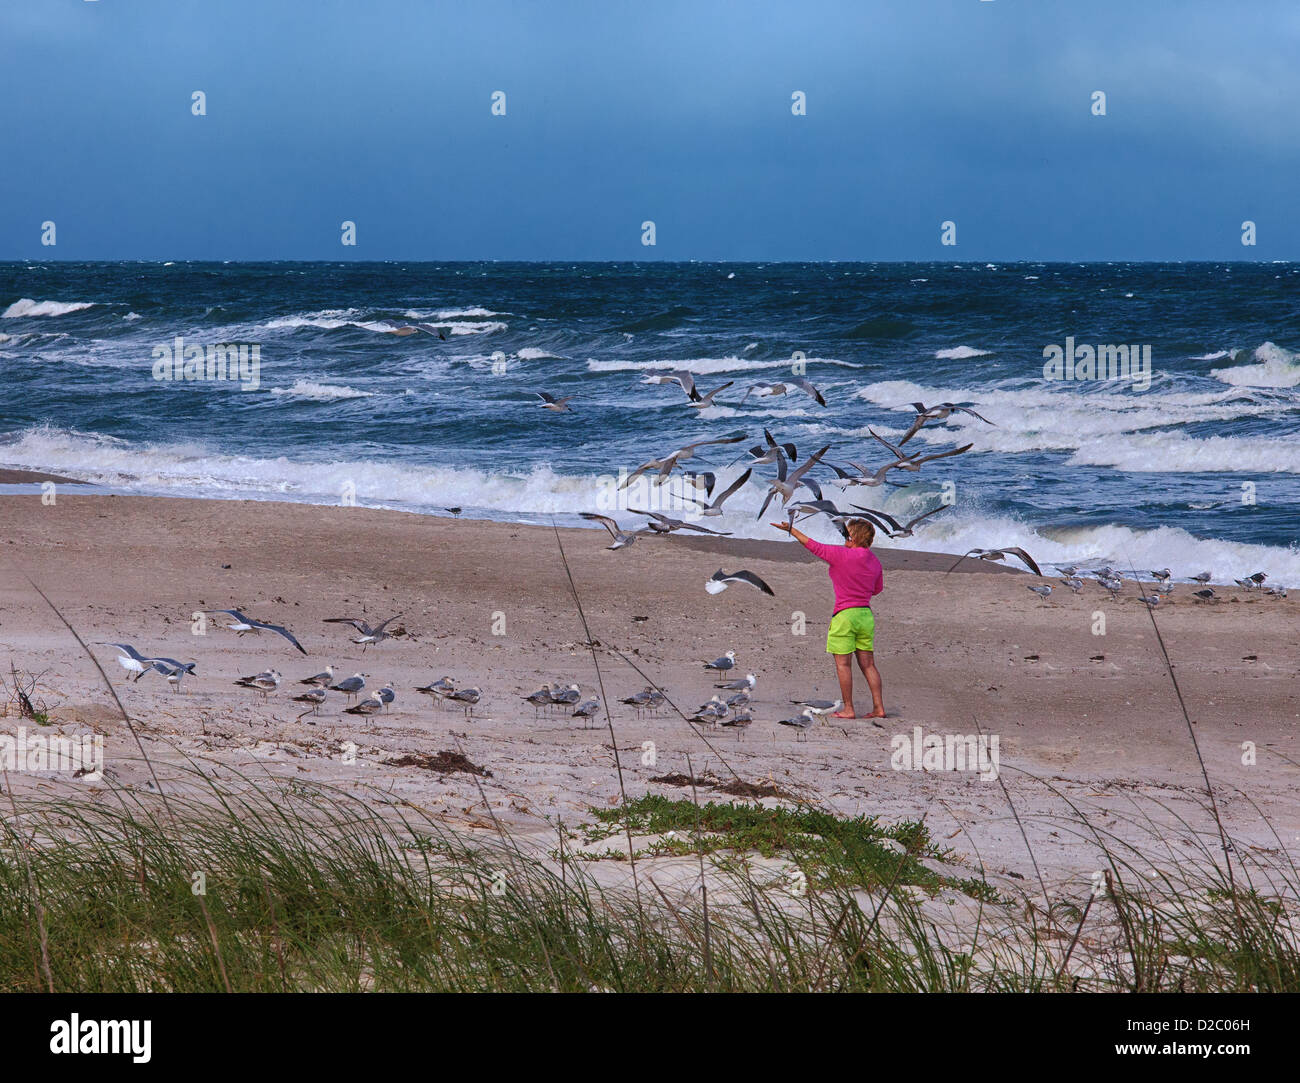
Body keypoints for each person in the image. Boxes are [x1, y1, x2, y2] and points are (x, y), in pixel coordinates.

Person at [771, 517, 885, 719]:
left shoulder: (842, 555)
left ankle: (849, 708)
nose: (844, 536)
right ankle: (879, 708)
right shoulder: (875, 561)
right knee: (868, 664)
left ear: (854, 537)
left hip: (845, 615)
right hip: (865, 615)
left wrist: (791, 529)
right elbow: (877, 589)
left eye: (847, 533)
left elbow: (814, 546)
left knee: (843, 664)